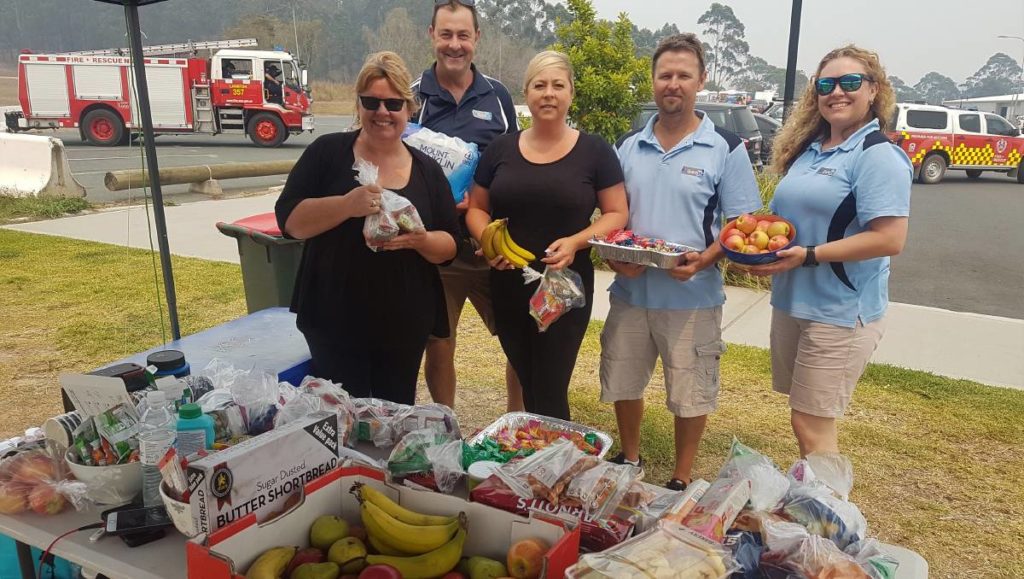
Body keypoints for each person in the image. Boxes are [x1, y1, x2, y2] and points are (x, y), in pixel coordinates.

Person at [602, 34, 762, 490]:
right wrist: (617, 258)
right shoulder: (628, 145)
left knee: (690, 392)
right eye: (665, 75)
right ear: (653, 81)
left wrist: (707, 257)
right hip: (632, 292)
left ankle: (681, 475)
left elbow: (744, 221)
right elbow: (614, 216)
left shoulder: (725, 147)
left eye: (683, 76)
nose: (673, 84)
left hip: (694, 294)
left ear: (701, 81)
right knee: (623, 377)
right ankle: (629, 457)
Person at [746, 45, 911, 456]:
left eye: (851, 82)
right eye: (826, 84)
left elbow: (890, 239)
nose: (837, 92)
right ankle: (812, 510)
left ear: (874, 91)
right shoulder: (811, 149)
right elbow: (792, 222)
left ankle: (829, 518)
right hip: (794, 302)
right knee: (802, 416)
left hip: (839, 311)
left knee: (811, 423)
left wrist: (810, 254)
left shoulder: (877, 155)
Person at [275, 51, 459, 405]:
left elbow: (451, 246)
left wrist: (421, 240)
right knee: (341, 413)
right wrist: (346, 205)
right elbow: (290, 222)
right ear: (358, 104)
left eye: (393, 103)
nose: (382, 112)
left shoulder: (427, 170)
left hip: (404, 320)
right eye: (371, 101)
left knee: (394, 411)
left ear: (409, 108)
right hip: (332, 315)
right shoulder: (327, 153)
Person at [465, 51, 628, 420]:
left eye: (558, 85)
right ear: (527, 93)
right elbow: (476, 207)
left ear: (571, 93)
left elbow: (617, 213)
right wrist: (487, 243)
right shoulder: (501, 149)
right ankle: (538, 461)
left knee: (550, 385)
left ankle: (555, 464)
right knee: (526, 375)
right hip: (508, 280)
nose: (549, 93)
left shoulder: (595, 151)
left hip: (564, 286)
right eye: (540, 85)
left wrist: (576, 241)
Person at [413, 0, 523, 411]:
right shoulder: (413, 98)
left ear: (477, 38)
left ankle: (517, 423)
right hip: (439, 250)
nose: (454, 45)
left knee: (519, 340)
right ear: (432, 35)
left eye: (463, 35)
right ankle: (447, 426)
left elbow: (517, 160)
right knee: (439, 345)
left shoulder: (498, 96)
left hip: (495, 245)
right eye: (446, 35)